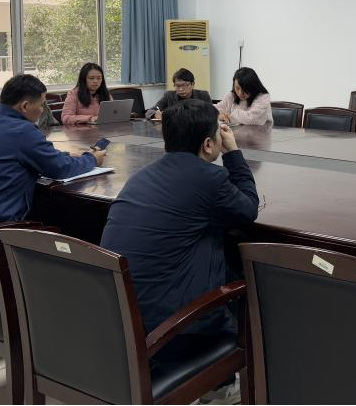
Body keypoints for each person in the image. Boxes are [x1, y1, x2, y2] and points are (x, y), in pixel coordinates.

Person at [101, 99, 258, 402]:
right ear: (209, 144)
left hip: (122, 318)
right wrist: (233, 152)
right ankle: (221, 384)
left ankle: (217, 379)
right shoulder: (208, 178)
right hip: (171, 331)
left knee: (213, 241)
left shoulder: (141, 176)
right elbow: (248, 208)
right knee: (238, 270)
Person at [0, 74, 105, 223]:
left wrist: (67, 155)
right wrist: (92, 159)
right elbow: (60, 168)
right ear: (25, 106)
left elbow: (23, 152)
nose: (43, 110)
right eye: (42, 105)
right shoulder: (23, 130)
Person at [146, 68, 212, 120]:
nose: (181, 89)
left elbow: (212, 113)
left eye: (184, 85)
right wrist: (155, 114)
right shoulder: (169, 96)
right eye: (177, 86)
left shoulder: (203, 95)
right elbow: (149, 112)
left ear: (193, 84)